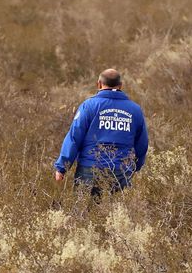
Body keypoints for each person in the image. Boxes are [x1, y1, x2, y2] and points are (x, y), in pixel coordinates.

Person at [54, 69, 149, 198]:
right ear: (120, 85)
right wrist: (136, 166)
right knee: (116, 213)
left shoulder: (89, 106)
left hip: (89, 169)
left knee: (83, 213)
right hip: (121, 172)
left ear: (99, 84)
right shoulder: (135, 110)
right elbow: (142, 143)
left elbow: (74, 137)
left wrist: (62, 167)